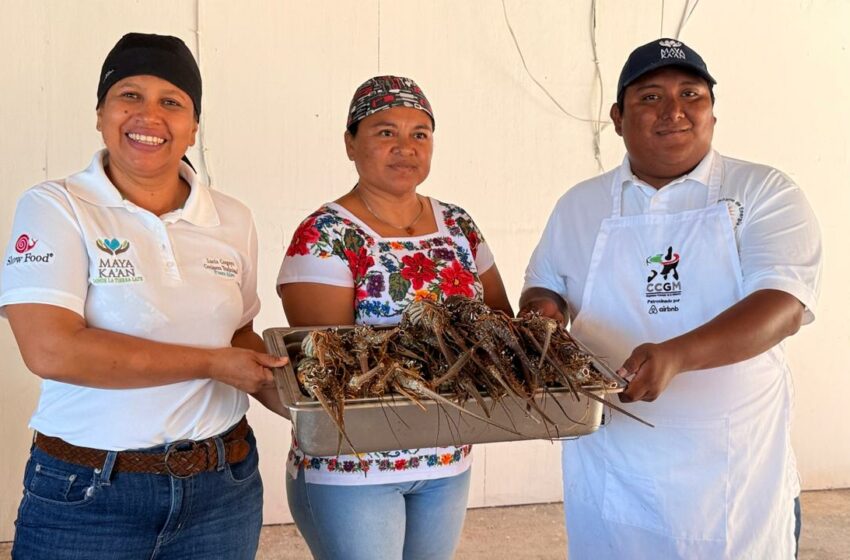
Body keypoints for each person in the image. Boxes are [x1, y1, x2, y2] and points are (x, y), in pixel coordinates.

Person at [521, 38, 821, 559]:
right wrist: (542, 321)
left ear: (712, 111)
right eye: (650, 97)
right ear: (617, 117)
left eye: (691, 94)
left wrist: (677, 354)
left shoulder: (763, 191)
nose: (674, 111)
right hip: (613, 465)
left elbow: (784, 303)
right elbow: (547, 287)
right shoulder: (580, 205)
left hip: (734, 475)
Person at [0, 33, 287, 559]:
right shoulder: (56, 207)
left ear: (193, 124)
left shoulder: (232, 218)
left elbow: (239, 333)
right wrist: (211, 364)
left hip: (223, 488)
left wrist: (310, 405)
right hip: (87, 494)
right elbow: (51, 350)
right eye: (129, 95)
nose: (148, 116)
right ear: (100, 112)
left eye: (171, 102)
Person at [277, 75, 513, 560]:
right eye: (386, 132)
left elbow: (500, 321)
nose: (405, 148)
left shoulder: (459, 224)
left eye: (419, 134)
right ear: (350, 143)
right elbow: (330, 371)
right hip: (354, 468)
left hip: (448, 458)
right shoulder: (326, 234)